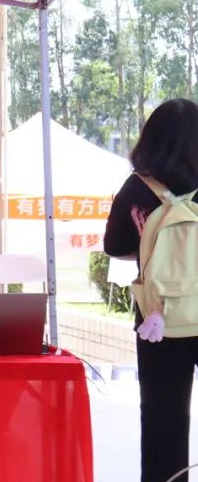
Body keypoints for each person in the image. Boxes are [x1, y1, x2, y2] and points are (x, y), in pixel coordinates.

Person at [105, 98, 198, 482]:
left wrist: (152, 247)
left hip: (160, 321)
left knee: (163, 423)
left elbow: (114, 246)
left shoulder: (137, 188)